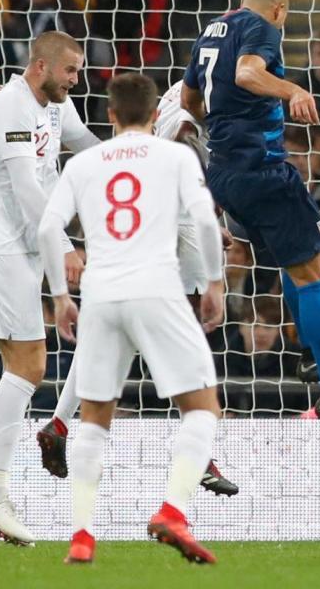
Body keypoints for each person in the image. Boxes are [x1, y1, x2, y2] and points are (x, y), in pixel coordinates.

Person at [37, 73, 225, 565]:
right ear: (155, 114)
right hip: (157, 288)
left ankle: (81, 537)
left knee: (94, 421)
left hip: (100, 294)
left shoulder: (84, 163)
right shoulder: (176, 156)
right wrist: (213, 283)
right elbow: (205, 222)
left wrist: (60, 296)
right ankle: (172, 511)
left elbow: (47, 226)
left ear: (110, 114)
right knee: (202, 408)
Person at [180, 0, 320, 432]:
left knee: (298, 264)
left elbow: (192, 99)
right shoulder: (263, 27)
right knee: (315, 272)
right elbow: (247, 72)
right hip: (262, 170)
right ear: (279, 10)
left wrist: (228, 126)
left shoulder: (212, 29)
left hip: (224, 172)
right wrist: (294, 91)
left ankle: (316, 361)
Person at [0, 30, 100, 547]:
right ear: (41, 66)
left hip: (23, 248)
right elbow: (25, 190)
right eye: (71, 70)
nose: (76, 79)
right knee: (28, 366)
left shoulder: (58, 108)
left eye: (79, 71)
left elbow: (87, 146)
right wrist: (63, 247)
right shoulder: (9, 107)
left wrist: (136, 152)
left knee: (28, 365)